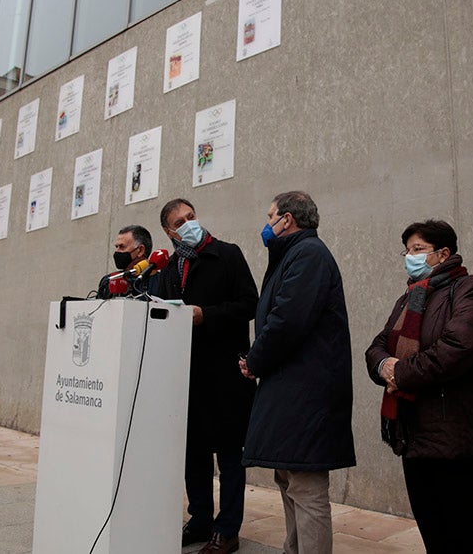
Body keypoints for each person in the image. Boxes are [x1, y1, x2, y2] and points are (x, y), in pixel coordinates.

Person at [365, 219, 473, 554]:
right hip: (414, 437)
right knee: (436, 536)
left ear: (443, 253)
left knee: (470, 538)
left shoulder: (468, 288)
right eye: (407, 250)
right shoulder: (409, 296)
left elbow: (460, 347)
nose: (409, 257)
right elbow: (378, 345)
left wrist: (401, 373)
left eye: (418, 250)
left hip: (460, 442)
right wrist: (384, 365)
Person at [240, 191, 355, 554]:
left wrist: (254, 360)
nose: (266, 223)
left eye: (270, 215)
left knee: (306, 487)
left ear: (286, 219)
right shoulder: (295, 254)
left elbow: (287, 321)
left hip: (307, 393)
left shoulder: (308, 255)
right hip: (291, 390)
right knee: (289, 477)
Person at [158, 199, 258, 554]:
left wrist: (207, 316)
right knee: (194, 454)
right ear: (169, 232)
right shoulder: (169, 270)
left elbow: (250, 304)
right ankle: (200, 519)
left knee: (230, 455)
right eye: (179, 222)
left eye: (191, 217)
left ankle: (227, 530)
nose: (188, 224)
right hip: (187, 377)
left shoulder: (228, 255)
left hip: (226, 374)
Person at [96, 225, 153, 298]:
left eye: (122, 247)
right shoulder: (109, 280)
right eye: (116, 247)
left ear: (140, 251)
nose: (117, 251)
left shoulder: (160, 280)